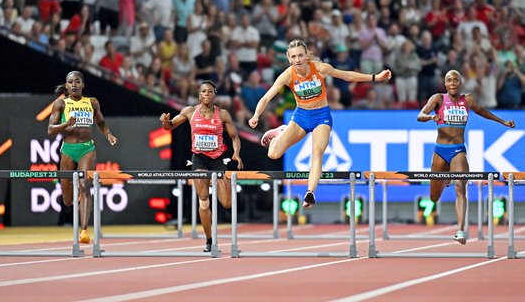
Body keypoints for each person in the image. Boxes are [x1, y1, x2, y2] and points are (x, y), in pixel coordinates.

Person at [248, 39, 392, 208]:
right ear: (289, 59)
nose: (298, 60)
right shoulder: (288, 75)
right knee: (273, 153)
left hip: (321, 117)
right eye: (294, 57)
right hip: (300, 117)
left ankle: (310, 193)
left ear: (306, 55)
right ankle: (282, 130)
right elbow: (266, 97)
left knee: (317, 153)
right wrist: (256, 115)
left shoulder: (320, 68)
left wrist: (375, 77)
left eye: (301, 55)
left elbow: (347, 75)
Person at [417, 70, 515, 244]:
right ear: (445, 84)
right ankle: (445, 177)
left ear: (460, 83)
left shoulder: (467, 100)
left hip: (458, 150)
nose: (453, 83)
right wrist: (432, 116)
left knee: (461, 188)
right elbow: (420, 116)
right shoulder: (438, 99)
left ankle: (460, 230)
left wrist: (503, 122)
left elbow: (484, 112)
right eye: (449, 80)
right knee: (433, 197)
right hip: (440, 151)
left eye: (456, 80)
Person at [160, 81, 243, 252]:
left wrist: (236, 153)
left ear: (214, 94)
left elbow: (235, 137)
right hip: (199, 160)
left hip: (218, 160)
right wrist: (165, 122)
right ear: (199, 94)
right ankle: (209, 240)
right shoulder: (189, 111)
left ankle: (215, 185)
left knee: (227, 202)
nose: (206, 94)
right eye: (203, 91)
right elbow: (170, 127)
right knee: (204, 201)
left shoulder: (223, 114)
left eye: (210, 91)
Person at [48, 71, 117, 244]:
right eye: (70, 82)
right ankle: (75, 205)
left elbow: (100, 122)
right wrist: (65, 124)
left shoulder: (92, 102)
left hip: (87, 148)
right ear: (66, 85)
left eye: (77, 82)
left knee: (84, 184)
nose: (74, 85)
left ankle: (84, 230)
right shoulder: (60, 104)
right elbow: (50, 130)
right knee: (68, 199)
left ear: (83, 85)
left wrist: (108, 134)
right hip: (68, 149)